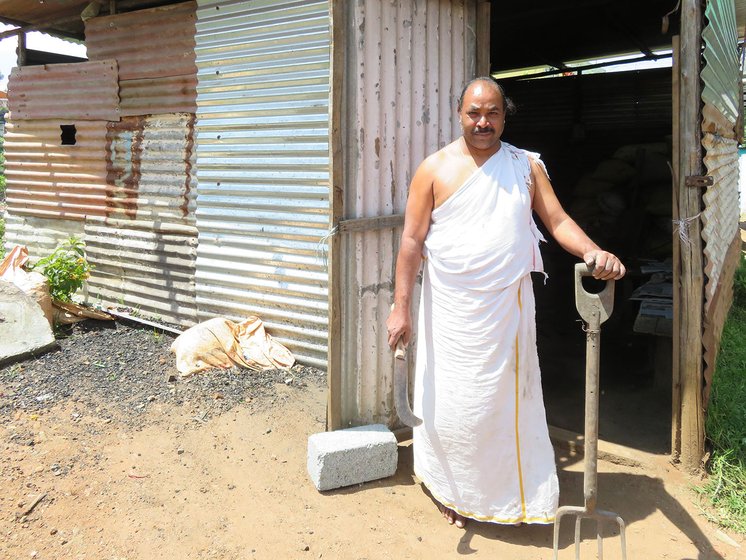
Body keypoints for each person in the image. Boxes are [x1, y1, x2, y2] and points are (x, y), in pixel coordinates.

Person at [386, 76, 625, 529]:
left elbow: (556, 220)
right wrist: (400, 306)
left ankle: (511, 495)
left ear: (504, 115)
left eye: (492, 112)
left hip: (509, 312)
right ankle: (448, 490)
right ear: (459, 115)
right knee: (456, 405)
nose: (483, 122)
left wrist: (593, 252)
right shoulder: (433, 169)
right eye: (474, 113)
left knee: (505, 405)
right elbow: (411, 241)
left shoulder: (523, 166)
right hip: (451, 315)